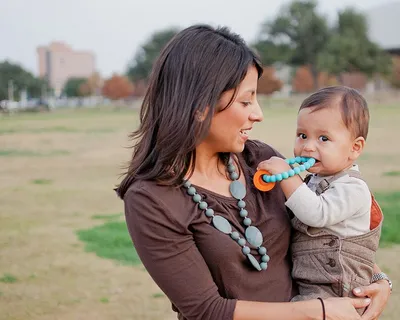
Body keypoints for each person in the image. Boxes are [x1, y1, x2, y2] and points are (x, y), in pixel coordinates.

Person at [116, 25, 390, 320]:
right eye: (246, 101)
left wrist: (378, 281)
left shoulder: (261, 160)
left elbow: (323, 231)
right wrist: (316, 311)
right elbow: (206, 310)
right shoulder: (152, 200)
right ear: (199, 106)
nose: (258, 113)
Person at [257, 87, 391, 313]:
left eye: (323, 138)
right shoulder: (314, 180)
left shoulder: (353, 188)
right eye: (302, 135)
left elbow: (316, 214)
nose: (308, 146)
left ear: (354, 148)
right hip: (313, 279)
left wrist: (287, 180)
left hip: (339, 286)